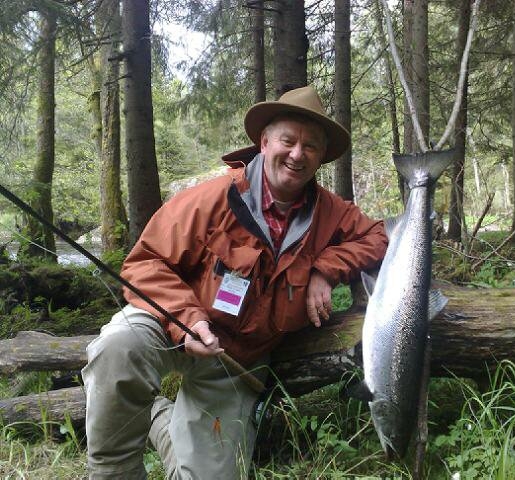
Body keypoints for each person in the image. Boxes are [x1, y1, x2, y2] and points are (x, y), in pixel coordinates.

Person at [82, 85, 388, 479]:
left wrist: (325, 268)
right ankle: (112, 472)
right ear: (264, 142)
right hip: (172, 328)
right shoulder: (210, 199)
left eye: (310, 146)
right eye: (288, 140)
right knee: (117, 345)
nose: (297, 154)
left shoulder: (331, 212)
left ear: (320, 157)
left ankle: (159, 417)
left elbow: (377, 237)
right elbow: (144, 262)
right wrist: (189, 320)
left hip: (235, 362)